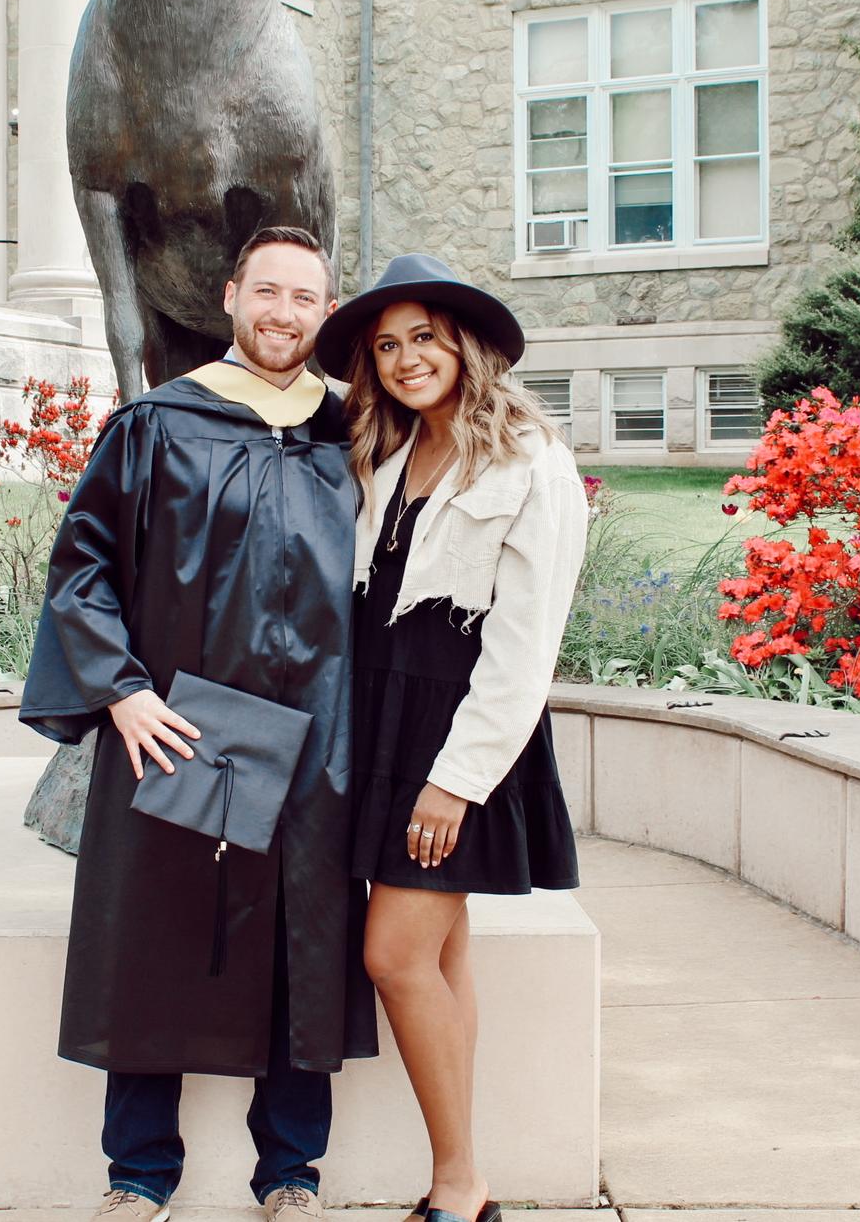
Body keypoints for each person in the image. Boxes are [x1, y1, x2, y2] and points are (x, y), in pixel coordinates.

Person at [20, 227, 377, 1222]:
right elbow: (81, 568)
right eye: (266, 291)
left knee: (306, 942)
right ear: (229, 296)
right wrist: (122, 690)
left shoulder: (351, 433)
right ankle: (137, 1174)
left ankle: (291, 1172)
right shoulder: (157, 423)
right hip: (178, 723)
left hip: (317, 731)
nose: (283, 313)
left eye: (303, 298)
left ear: (323, 310)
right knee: (154, 932)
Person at [313, 254, 589, 1222]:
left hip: (458, 740)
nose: (402, 359)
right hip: (387, 722)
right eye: (385, 346)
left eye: (421, 336)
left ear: (461, 342)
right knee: (441, 955)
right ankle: (465, 1177)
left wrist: (455, 780)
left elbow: (524, 647)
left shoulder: (530, 461)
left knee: (391, 953)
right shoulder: (389, 454)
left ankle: (457, 1180)